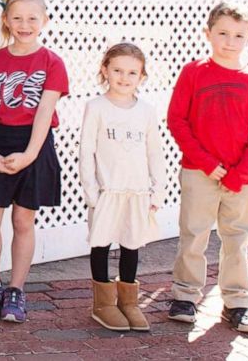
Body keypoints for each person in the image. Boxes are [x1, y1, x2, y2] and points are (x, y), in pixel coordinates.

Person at [166, 3, 248, 335]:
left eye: (239, 35)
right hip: (200, 172)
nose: (230, 41)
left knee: (236, 239)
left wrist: (240, 174)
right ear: (208, 34)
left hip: (241, 178)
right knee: (194, 234)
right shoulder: (194, 72)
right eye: (223, 33)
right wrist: (207, 163)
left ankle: (237, 303)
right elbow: (177, 121)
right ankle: (185, 296)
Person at [0, 0, 69, 324]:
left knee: (22, 220)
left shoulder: (52, 62)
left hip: (34, 144)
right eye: (17, 18)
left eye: (32, 18)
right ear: (6, 20)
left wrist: (29, 154)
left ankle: (15, 290)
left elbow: (45, 112)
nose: (24, 24)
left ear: (45, 20)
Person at [80, 42, 165, 333]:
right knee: (101, 243)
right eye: (117, 70)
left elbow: (154, 151)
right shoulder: (96, 107)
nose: (124, 77)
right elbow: (86, 151)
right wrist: (91, 192)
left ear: (142, 76)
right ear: (105, 70)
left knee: (131, 243)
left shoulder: (146, 111)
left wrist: (158, 189)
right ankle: (103, 304)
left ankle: (128, 302)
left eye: (132, 72)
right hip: (108, 192)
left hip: (137, 191)